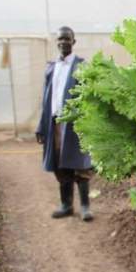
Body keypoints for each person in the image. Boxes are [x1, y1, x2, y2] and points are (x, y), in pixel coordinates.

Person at [35, 26, 94, 222]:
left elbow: (89, 97)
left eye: (67, 39)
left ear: (73, 42)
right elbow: (45, 99)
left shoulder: (81, 66)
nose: (63, 42)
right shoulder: (52, 67)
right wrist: (41, 127)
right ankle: (66, 205)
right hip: (55, 123)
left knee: (80, 164)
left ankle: (85, 206)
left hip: (75, 124)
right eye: (60, 39)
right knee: (60, 164)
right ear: (56, 41)